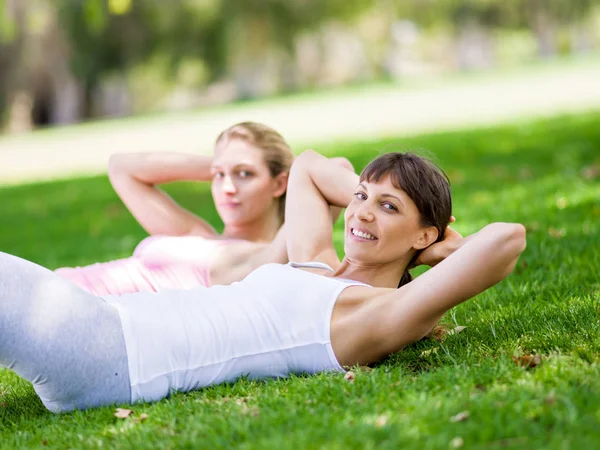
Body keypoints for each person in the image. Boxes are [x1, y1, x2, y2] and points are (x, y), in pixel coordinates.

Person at [0, 150, 526, 413]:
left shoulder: (377, 314)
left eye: (389, 208)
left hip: (118, 355)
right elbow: (313, 167)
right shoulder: (317, 264)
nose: (361, 213)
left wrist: (443, 246)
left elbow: (507, 238)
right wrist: (375, 198)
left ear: (424, 234)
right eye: (360, 198)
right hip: (111, 324)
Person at [55, 122, 349, 293]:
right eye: (219, 176)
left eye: (245, 174)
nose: (227, 187)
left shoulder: (265, 259)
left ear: (279, 183)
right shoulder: (197, 234)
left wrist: (301, 177)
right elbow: (121, 167)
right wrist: (220, 165)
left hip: (74, 309)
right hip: (58, 285)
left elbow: (337, 168)